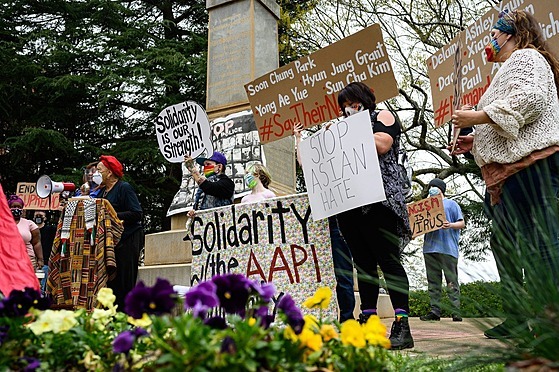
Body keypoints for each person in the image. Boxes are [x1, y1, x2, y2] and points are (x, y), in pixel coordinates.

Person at [451, 10, 559, 339]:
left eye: (495, 35)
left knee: (540, 243)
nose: (491, 41)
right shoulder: (509, 69)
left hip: (532, 166)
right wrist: (475, 140)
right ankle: (518, 316)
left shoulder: (527, 57)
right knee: (505, 244)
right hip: (511, 172)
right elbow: (511, 120)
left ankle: (549, 318)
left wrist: (478, 116)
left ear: (510, 34)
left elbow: (532, 101)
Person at [331, 82, 413, 349]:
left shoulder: (382, 117)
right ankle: (368, 320)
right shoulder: (342, 126)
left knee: (387, 261)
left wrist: (352, 129)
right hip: (351, 203)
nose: (347, 110)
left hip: (380, 201)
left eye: (351, 104)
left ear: (363, 100)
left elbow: (382, 145)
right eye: (343, 107)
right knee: (363, 265)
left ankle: (401, 323)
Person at [293, 123, 356, 324]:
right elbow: (304, 163)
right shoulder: (319, 169)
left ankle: (348, 318)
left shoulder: (347, 162)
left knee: (345, 275)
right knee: (331, 274)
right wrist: (298, 138)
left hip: (347, 224)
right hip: (325, 227)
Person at [97, 155, 144, 309]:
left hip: (127, 241)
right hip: (111, 244)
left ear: (109, 172)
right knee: (111, 282)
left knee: (123, 282)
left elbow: (137, 213)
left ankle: (126, 317)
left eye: (99, 170)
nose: (96, 174)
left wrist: (112, 215)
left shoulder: (123, 188)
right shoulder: (102, 192)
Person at [419, 179, 465, 322]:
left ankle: (455, 311)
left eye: (434, 187)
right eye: (430, 187)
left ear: (440, 189)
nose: (431, 189)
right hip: (429, 249)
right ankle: (435, 311)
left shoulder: (452, 204)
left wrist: (450, 225)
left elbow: (462, 223)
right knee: (433, 282)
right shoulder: (425, 206)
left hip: (448, 249)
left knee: (451, 281)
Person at [184, 151, 234, 216]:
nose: (205, 167)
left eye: (208, 164)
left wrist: (192, 169)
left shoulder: (227, 183)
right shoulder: (202, 187)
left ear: (219, 167)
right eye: (204, 165)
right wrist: (194, 211)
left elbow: (209, 187)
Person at [8, 195, 44, 271]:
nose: (16, 209)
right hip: (7, 260)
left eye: (19, 207)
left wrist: (40, 259)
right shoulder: (3, 223)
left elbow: (36, 243)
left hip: (27, 260)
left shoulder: (29, 224)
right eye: (14, 207)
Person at [33, 210, 57, 294]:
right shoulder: (30, 230)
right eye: (36, 215)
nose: (38, 217)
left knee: (41, 288)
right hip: (31, 262)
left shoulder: (50, 229)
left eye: (40, 215)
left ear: (45, 218)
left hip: (45, 262)